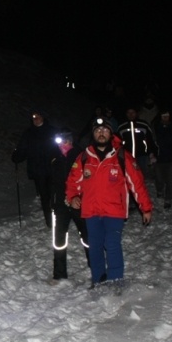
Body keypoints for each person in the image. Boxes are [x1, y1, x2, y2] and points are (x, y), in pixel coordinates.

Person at [66, 117, 153, 289]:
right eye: (98, 130)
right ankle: (98, 280)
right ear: (93, 134)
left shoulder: (122, 156)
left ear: (111, 133)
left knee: (112, 244)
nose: (101, 133)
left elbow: (137, 184)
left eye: (105, 130)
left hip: (114, 211)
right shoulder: (84, 157)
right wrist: (73, 197)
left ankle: (115, 281)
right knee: (95, 246)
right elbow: (72, 182)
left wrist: (146, 208)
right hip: (91, 210)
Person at [49, 128, 90, 282]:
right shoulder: (55, 157)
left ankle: (95, 266)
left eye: (64, 141)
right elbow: (51, 181)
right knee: (59, 240)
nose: (61, 144)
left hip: (79, 203)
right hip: (60, 203)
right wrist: (53, 201)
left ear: (70, 141)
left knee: (87, 236)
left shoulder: (81, 155)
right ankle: (59, 273)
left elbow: (88, 180)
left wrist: (82, 198)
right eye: (58, 141)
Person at [12, 109, 57, 226]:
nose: (36, 119)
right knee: (44, 195)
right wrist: (17, 156)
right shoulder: (28, 133)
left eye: (38, 117)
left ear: (43, 117)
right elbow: (22, 148)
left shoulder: (51, 131)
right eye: (33, 118)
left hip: (52, 168)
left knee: (53, 193)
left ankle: (57, 215)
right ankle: (49, 221)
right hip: (38, 170)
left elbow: (59, 147)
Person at [117, 105, 158, 176]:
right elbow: (117, 142)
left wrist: (152, 154)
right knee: (129, 175)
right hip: (127, 156)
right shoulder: (121, 126)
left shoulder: (144, 125)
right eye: (129, 113)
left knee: (142, 175)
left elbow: (150, 140)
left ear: (136, 113)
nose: (131, 114)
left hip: (142, 155)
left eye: (133, 112)